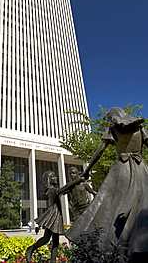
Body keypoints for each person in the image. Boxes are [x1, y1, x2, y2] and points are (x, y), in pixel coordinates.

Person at [66, 107, 148, 262]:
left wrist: (87, 170)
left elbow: (99, 152)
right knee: (141, 205)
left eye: (108, 118)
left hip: (120, 172)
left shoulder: (113, 131)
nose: (109, 121)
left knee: (109, 206)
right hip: (140, 169)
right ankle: (137, 246)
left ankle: (110, 246)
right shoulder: (141, 130)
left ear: (114, 117)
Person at [26, 170, 84, 263]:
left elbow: (67, 189)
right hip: (53, 214)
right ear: (49, 179)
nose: (55, 177)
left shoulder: (55, 190)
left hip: (57, 214)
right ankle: (30, 249)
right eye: (53, 176)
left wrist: (79, 181)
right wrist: (77, 181)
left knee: (55, 241)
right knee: (46, 238)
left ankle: (53, 260)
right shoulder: (52, 190)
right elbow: (64, 188)